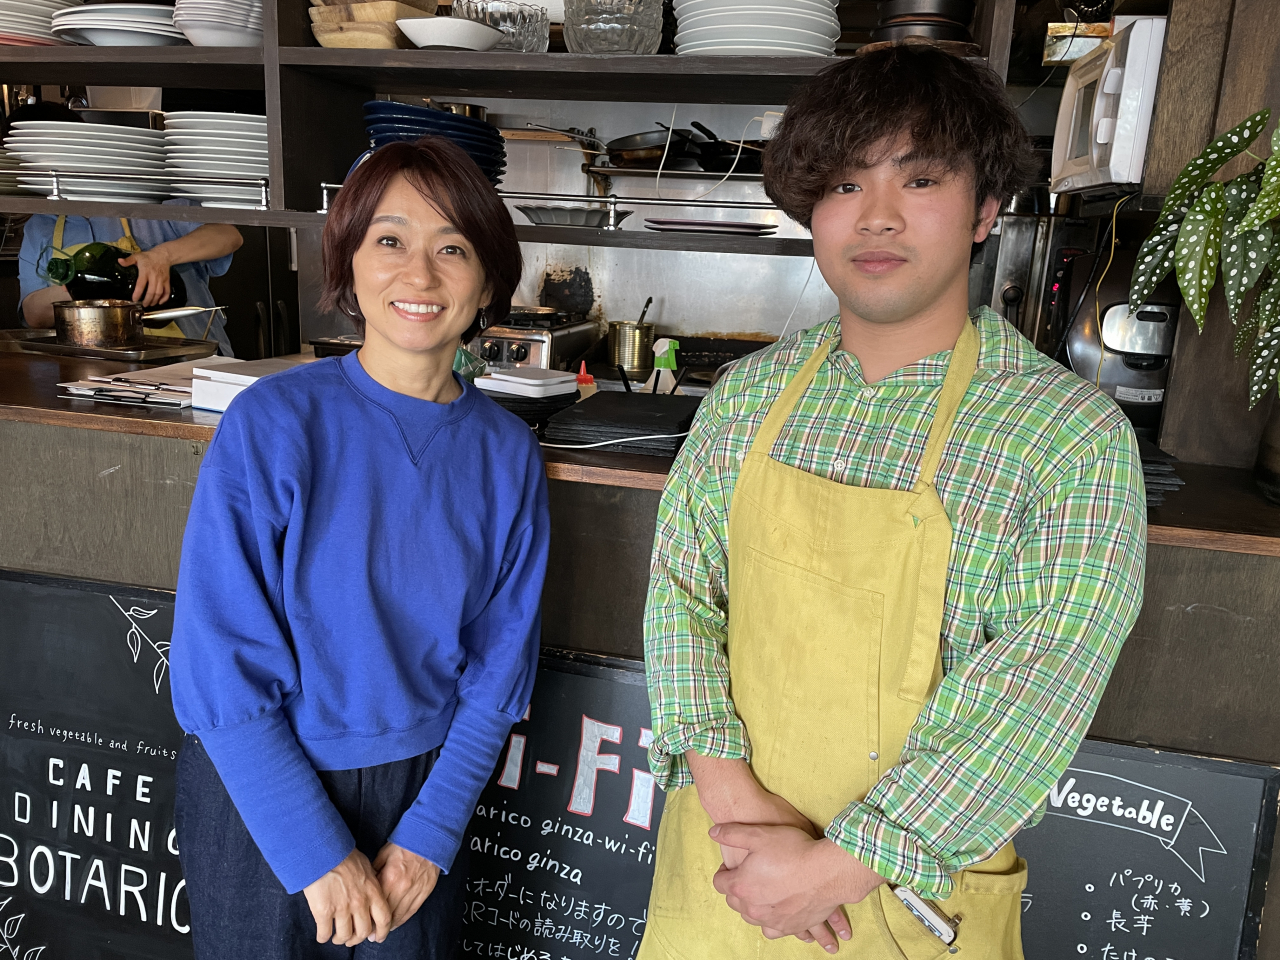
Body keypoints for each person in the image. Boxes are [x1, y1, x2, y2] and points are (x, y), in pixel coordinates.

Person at [640, 44, 1146, 959]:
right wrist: (735, 805)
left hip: (907, 903)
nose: (876, 216)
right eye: (843, 184)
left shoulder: (1067, 437)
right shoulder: (747, 397)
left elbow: (1035, 692)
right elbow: (681, 598)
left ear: (986, 209)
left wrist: (835, 867)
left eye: (920, 179)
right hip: (727, 867)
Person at [169, 137, 548, 959]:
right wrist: (313, 849)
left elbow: (499, 672)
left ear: (489, 281)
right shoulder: (273, 423)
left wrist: (430, 836)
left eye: (453, 248)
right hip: (263, 797)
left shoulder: (507, 453)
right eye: (390, 240)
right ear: (347, 261)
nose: (420, 274)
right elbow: (218, 661)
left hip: (423, 798)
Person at [18, 204, 243, 355]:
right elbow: (33, 314)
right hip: (103, 370)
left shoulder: (154, 203)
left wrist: (161, 256)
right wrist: (84, 287)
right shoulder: (42, 224)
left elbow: (228, 235)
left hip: (189, 357)